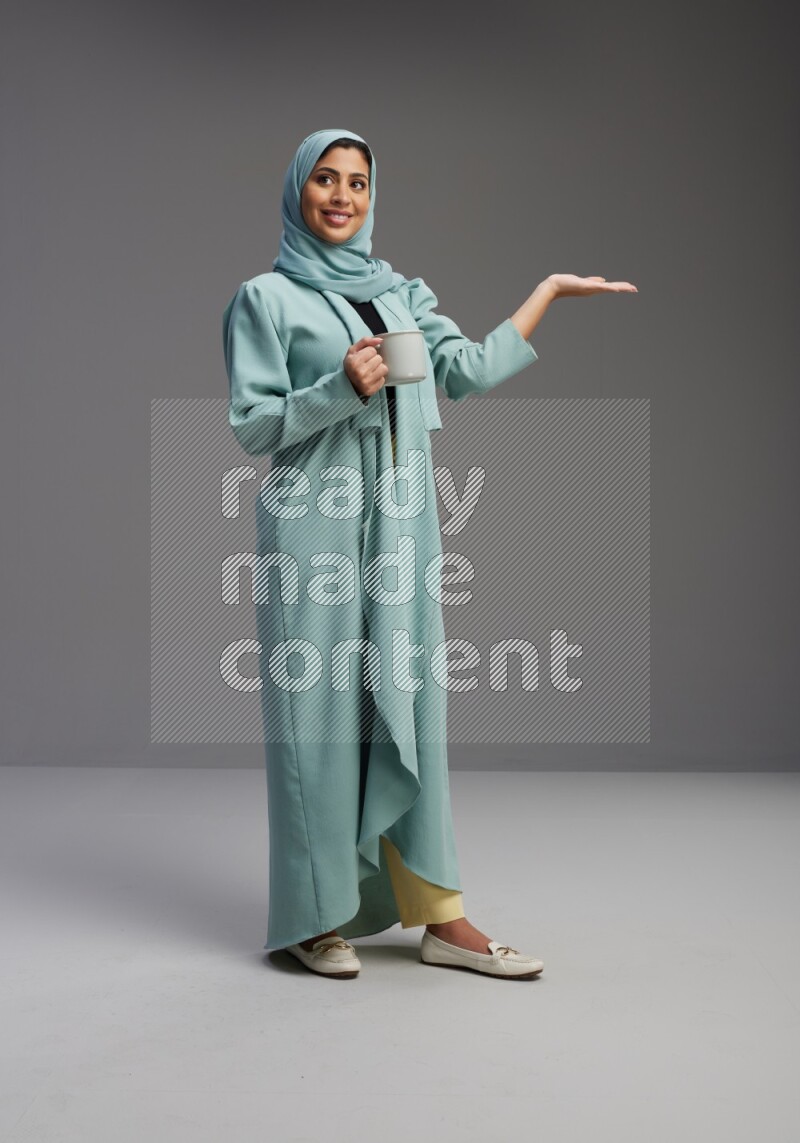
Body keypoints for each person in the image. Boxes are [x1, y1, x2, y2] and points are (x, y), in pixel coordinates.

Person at [223, 128, 637, 981]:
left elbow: (468, 371)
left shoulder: (401, 292)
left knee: (411, 710)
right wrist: (343, 387)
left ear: (374, 196)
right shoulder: (264, 299)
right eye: (327, 180)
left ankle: (439, 916)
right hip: (315, 528)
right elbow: (254, 425)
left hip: (404, 527)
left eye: (359, 184)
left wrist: (547, 294)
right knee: (320, 724)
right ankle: (314, 916)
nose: (343, 196)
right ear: (299, 189)